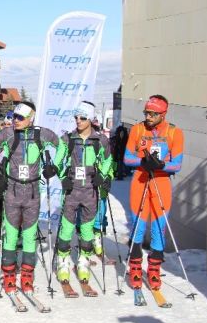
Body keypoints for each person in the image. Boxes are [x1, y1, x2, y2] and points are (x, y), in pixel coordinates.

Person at [0, 101, 62, 295]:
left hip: (33, 192)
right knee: (10, 236)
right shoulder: (7, 133)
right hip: (12, 191)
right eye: (15, 116)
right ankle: (8, 276)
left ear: (31, 118)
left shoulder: (42, 134)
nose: (15, 120)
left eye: (20, 117)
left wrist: (54, 166)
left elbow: (62, 147)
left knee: (28, 237)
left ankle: (27, 277)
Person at [123, 95, 184, 290]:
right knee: (138, 227)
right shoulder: (137, 129)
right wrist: (142, 162)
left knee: (159, 227)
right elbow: (126, 158)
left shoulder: (174, 132)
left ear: (163, 114)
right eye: (146, 113)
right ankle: (134, 268)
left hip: (161, 181)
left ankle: (154, 270)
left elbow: (178, 164)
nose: (148, 117)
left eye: (153, 113)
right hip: (140, 180)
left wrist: (161, 165)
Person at [55, 101, 113, 287]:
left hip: (90, 191)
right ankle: (63, 263)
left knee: (87, 231)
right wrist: (61, 175)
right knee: (66, 228)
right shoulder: (68, 139)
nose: (78, 121)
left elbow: (108, 160)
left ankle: (83, 262)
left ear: (91, 119)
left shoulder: (100, 140)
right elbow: (58, 160)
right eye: (76, 117)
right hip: (71, 190)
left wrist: (102, 177)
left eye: (83, 118)